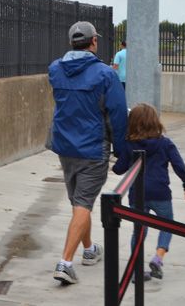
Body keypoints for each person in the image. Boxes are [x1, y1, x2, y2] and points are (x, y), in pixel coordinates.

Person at [48, 21, 128, 285]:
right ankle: (65, 263)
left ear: (71, 43)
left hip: (64, 146)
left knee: (79, 202)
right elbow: (117, 115)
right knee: (83, 203)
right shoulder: (106, 74)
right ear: (94, 42)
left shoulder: (55, 70)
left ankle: (90, 249)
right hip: (93, 148)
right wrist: (122, 151)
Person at [112, 102, 185, 281]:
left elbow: (118, 170)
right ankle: (158, 258)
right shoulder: (165, 143)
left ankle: (136, 269)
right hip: (160, 193)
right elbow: (179, 165)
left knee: (139, 231)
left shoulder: (129, 145)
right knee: (167, 225)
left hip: (137, 195)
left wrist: (117, 151)